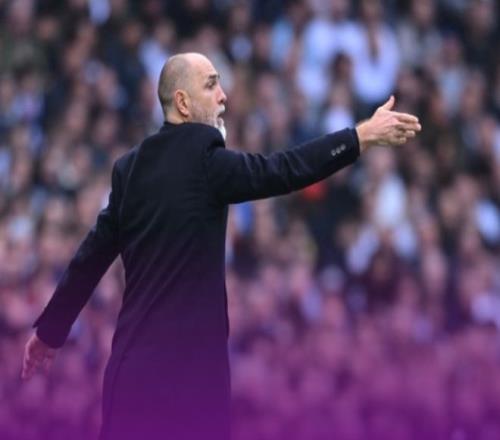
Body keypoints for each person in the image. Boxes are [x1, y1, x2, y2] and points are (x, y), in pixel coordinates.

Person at [22, 52, 420, 440]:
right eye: (211, 85)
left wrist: (50, 332)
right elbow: (285, 169)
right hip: (190, 382)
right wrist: (359, 137)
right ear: (183, 102)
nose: (224, 95)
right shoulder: (207, 161)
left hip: (130, 373)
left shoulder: (129, 169)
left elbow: (91, 257)